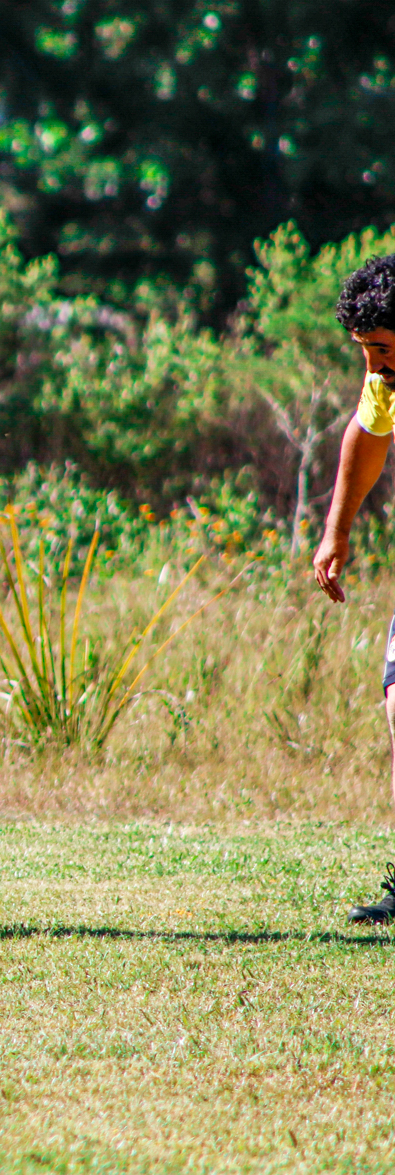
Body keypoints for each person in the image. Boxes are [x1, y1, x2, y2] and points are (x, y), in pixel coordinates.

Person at [312, 253, 395, 923]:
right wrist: (336, 531)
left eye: (383, 349)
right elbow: (366, 439)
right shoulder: (385, 383)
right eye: (364, 350)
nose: (374, 365)